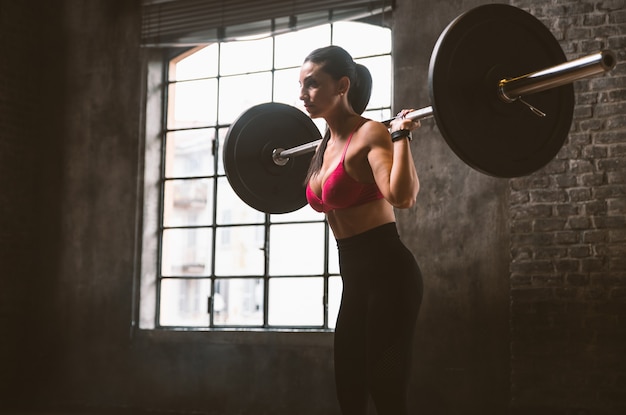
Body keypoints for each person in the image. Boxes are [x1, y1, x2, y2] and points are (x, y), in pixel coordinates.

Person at [300, 45, 423, 415]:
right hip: (354, 281)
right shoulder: (322, 147)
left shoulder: (370, 134)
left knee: (386, 392)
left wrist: (400, 136)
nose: (303, 94)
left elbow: (402, 198)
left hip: (390, 274)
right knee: (350, 392)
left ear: (342, 86)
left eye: (312, 84)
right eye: (302, 85)